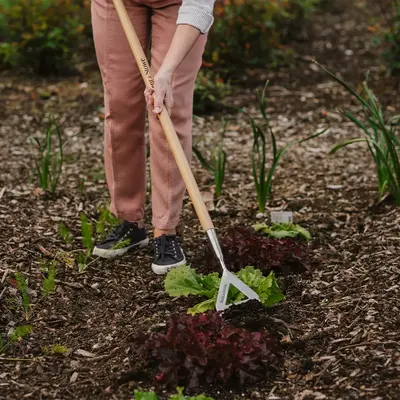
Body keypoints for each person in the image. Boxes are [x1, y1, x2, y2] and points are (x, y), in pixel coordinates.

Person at [90, 0, 215, 274]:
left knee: (167, 109)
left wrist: (166, 72)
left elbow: (199, 7)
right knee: (119, 106)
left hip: (178, 5)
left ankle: (166, 229)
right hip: (118, 4)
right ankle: (129, 221)